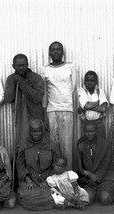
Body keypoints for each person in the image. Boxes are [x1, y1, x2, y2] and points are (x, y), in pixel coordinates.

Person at [42, 41, 76, 170]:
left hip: (67, 109)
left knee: (66, 145)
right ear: (49, 53)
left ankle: (68, 175)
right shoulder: (45, 69)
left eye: (58, 49)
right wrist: (45, 112)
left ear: (63, 52)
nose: (56, 52)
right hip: (51, 110)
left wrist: (67, 102)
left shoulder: (70, 67)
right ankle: (54, 176)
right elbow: (45, 92)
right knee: (53, 144)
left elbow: (73, 88)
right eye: (53, 50)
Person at [16, 119, 60, 211]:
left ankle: (44, 200)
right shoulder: (24, 145)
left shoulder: (52, 145)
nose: (36, 134)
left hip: (48, 179)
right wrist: (28, 180)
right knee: (25, 195)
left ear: (42, 131)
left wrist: (48, 181)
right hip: (30, 180)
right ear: (30, 131)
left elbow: (57, 165)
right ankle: (47, 201)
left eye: (38, 131)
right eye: (33, 131)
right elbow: (20, 166)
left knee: (55, 193)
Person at [4, 54, 46, 147]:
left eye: (24, 65)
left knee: (37, 141)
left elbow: (37, 97)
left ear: (28, 64)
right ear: (13, 66)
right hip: (20, 116)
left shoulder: (36, 78)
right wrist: (13, 84)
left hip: (35, 115)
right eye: (18, 66)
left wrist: (22, 83)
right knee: (22, 143)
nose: (22, 68)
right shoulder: (11, 78)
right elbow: (8, 98)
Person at [77, 121, 114, 206]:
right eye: (87, 131)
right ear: (84, 132)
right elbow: (79, 167)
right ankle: (94, 193)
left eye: (92, 131)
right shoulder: (81, 146)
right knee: (86, 199)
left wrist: (97, 177)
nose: (89, 134)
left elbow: (106, 165)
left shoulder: (104, 144)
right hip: (89, 180)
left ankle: (101, 193)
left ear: (96, 131)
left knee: (104, 199)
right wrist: (89, 174)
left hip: (106, 178)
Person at [78, 70, 108, 137]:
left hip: (98, 123)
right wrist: (98, 102)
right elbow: (87, 105)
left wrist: (86, 107)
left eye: (92, 81)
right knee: (87, 145)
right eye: (88, 81)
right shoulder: (82, 91)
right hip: (86, 123)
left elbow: (103, 108)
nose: (90, 83)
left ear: (96, 82)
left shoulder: (100, 92)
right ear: (84, 82)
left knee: (100, 144)